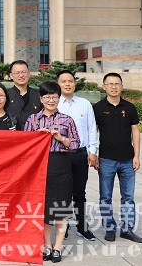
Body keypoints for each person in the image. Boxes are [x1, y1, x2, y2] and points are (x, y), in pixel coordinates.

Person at [23, 82, 80, 263]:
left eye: (54, 96)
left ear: (58, 98)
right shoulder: (33, 120)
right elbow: (24, 144)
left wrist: (60, 138)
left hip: (61, 164)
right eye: (47, 97)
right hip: (40, 165)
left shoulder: (66, 119)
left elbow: (75, 144)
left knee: (61, 207)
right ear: (41, 99)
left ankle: (58, 247)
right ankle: (47, 245)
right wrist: (36, 136)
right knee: (45, 208)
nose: (51, 100)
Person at [93, 72, 142, 244]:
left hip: (128, 160)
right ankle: (109, 228)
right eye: (110, 84)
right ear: (104, 86)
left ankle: (127, 229)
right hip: (106, 160)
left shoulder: (129, 107)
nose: (113, 87)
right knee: (105, 197)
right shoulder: (97, 108)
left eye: (117, 84)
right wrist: (94, 154)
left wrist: (137, 155)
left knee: (128, 197)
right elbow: (93, 133)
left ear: (122, 86)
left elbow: (135, 131)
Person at [56, 69, 99, 241]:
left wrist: (93, 152)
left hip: (80, 154)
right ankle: (64, 227)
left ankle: (82, 226)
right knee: (62, 192)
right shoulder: (54, 103)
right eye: (63, 81)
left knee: (79, 192)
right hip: (60, 155)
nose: (67, 84)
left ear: (75, 83)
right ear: (58, 84)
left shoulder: (84, 104)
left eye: (70, 81)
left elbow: (92, 128)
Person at [6, 60, 42, 126]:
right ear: (11, 76)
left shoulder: (39, 95)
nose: (21, 75)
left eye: (24, 72)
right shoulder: (5, 96)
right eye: (17, 73)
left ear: (29, 73)